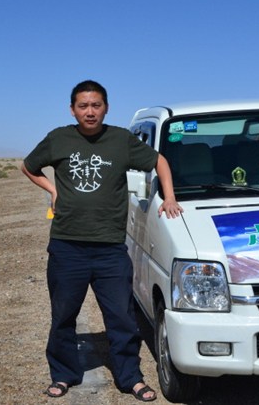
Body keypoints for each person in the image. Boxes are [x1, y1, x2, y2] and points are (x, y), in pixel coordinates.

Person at [21, 80, 183, 402]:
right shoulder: (58, 138)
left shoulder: (120, 140)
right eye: (83, 106)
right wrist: (53, 190)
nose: (90, 112)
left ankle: (131, 377)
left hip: (110, 249)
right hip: (67, 246)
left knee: (121, 317)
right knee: (63, 316)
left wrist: (169, 197)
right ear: (72, 110)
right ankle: (63, 374)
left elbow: (159, 162)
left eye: (96, 105)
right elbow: (28, 166)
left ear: (106, 108)